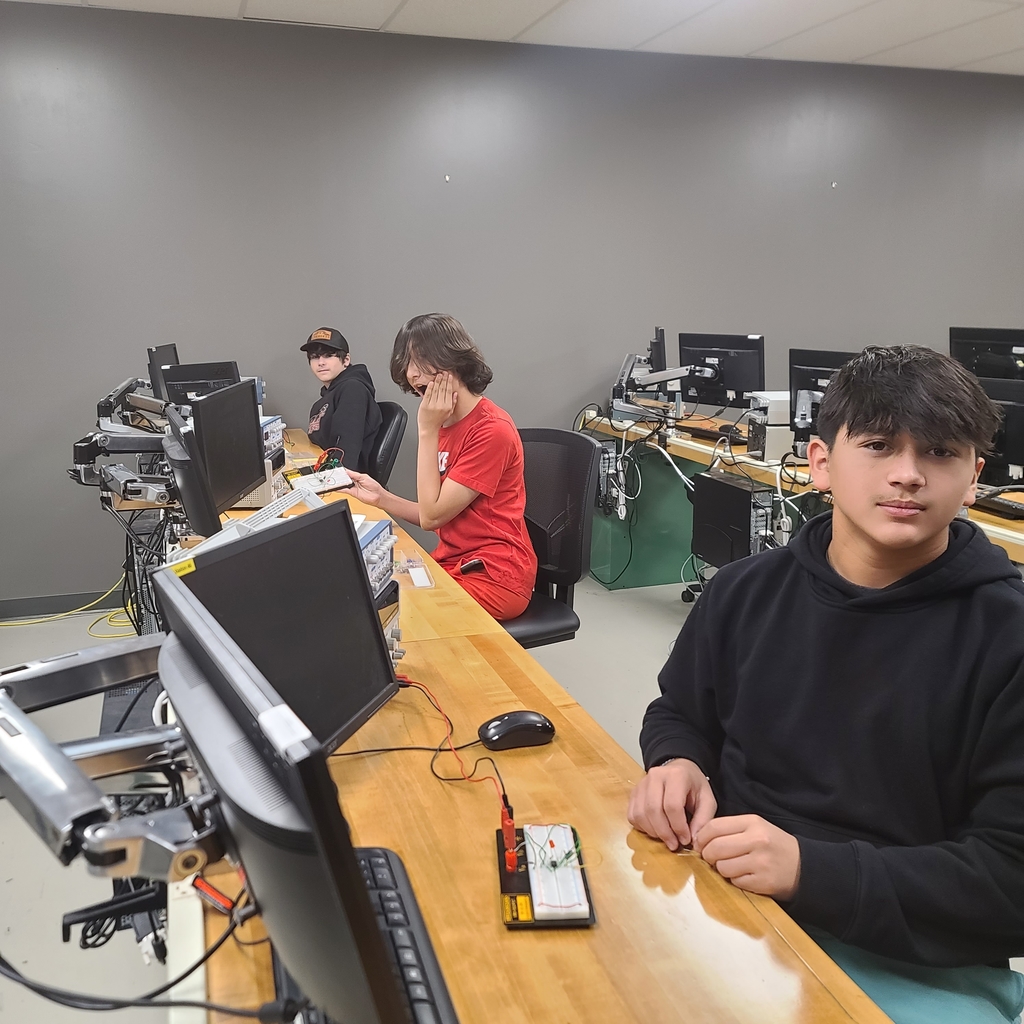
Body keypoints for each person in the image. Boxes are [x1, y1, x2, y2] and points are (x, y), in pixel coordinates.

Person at [627, 345, 1024, 1024]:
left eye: (939, 454)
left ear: (973, 478)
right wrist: (678, 761)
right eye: (877, 446)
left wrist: (812, 870)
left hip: (915, 957)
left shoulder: (1007, 636)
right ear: (820, 463)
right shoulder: (743, 592)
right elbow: (682, 712)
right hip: (730, 899)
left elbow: (1010, 879)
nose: (907, 475)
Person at [346, 314, 537, 621]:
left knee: (397, 615)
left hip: (495, 576)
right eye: (407, 364)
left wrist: (427, 430)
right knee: (371, 595)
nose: (411, 374)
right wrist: (381, 498)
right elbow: (433, 516)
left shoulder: (491, 430)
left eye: (420, 362)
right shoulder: (445, 424)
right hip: (455, 562)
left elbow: (433, 515)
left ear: (453, 361)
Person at [301, 327, 382, 473]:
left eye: (328, 356)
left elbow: (345, 455)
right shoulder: (329, 395)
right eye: (314, 357)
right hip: (325, 470)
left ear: (346, 360)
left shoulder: (352, 389)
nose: (321, 362)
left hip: (346, 481)